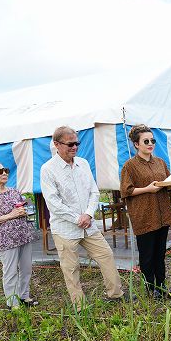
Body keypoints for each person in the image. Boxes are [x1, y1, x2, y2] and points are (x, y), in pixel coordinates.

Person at [40, 126, 129, 310]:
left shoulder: (83, 163)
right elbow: (53, 202)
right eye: (70, 144)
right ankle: (80, 307)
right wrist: (77, 218)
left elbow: (94, 192)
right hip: (65, 228)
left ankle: (116, 294)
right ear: (56, 144)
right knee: (71, 269)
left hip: (87, 225)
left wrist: (88, 214)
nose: (75, 147)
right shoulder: (48, 169)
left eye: (77, 143)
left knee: (106, 255)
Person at [120, 124, 171, 299]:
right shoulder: (130, 166)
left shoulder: (160, 162)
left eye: (152, 140)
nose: (150, 143)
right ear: (136, 144)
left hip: (163, 214)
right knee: (147, 256)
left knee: (160, 254)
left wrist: (170, 185)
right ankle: (151, 289)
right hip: (144, 215)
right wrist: (146, 189)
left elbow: (167, 182)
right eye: (146, 141)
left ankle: (162, 286)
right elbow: (126, 191)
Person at [0, 161, 38, 310]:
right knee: (10, 271)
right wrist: (10, 215)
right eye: (0, 171)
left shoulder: (14, 191)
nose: (4, 173)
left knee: (26, 269)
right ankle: (13, 303)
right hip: (6, 240)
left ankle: (24, 296)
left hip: (24, 234)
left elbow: (23, 209)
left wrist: (25, 210)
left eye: (5, 170)